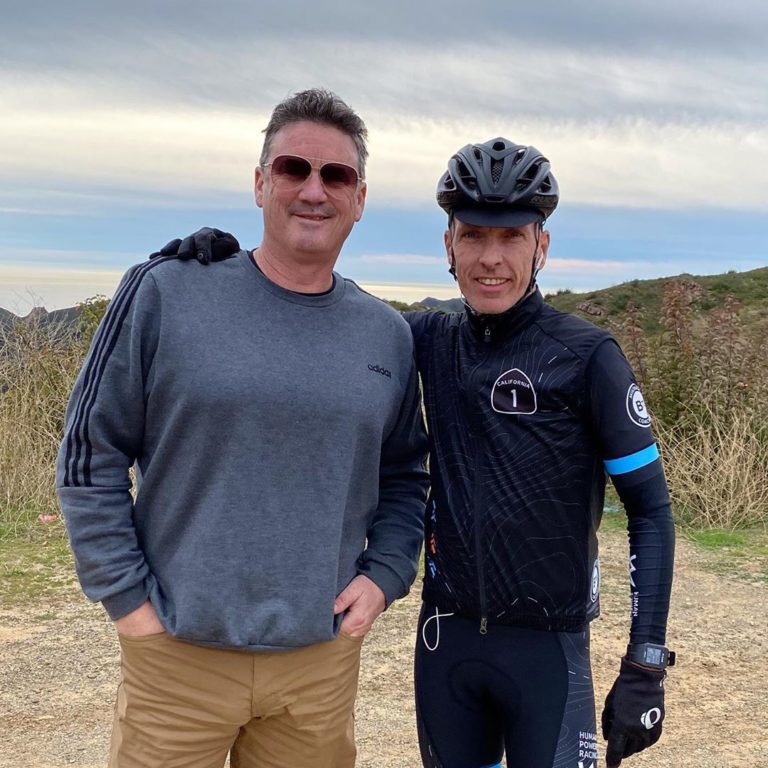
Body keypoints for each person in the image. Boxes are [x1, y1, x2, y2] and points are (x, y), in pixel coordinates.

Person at [157, 138, 676, 768]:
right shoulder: (422, 338)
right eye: (473, 236)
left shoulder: (588, 358)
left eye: (511, 238)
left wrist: (645, 663)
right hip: (446, 642)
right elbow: (325, 321)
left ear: (541, 246)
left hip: (549, 651)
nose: (491, 259)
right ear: (448, 244)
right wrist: (221, 272)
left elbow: (649, 511)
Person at [55, 88, 429, 768]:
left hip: (317, 669)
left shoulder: (386, 335)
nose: (313, 190)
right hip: (177, 657)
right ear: (261, 183)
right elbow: (90, 454)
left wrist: (385, 575)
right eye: (293, 168)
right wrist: (129, 606)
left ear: (360, 198)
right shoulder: (166, 292)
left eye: (335, 175)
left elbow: (405, 475)